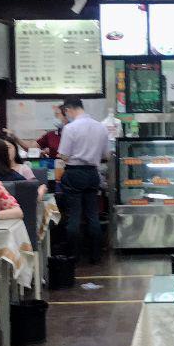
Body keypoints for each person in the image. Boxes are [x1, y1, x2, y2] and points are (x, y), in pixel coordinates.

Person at [57, 97, 109, 264]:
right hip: (93, 173)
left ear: (68, 109)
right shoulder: (101, 127)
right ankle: (95, 255)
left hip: (74, 173)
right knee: (93, 215)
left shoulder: (70, 128)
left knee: (74, 215)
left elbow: (63, 155)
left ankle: (74, 256)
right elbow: (106, 155)